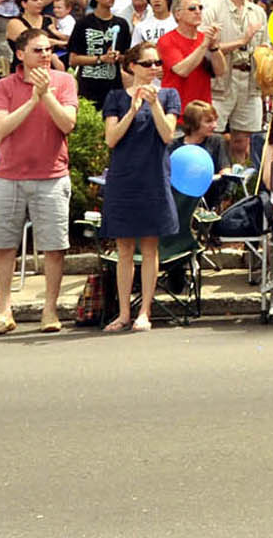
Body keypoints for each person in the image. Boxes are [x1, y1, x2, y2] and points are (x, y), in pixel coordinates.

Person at [0, 30, 78, 334]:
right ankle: (4, 311)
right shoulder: (4, 86)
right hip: (9, 177)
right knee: (4, 246)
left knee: (54, 247)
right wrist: (32, 100)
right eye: (38, 50)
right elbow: (2, 128)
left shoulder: (64, 82)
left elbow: (67, 123)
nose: (45, 55)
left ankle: (49, 311)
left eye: (49, 49)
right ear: (21, 53)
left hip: (52, 177)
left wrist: (46, 94)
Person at [99, 42, 181, 332]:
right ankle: (123, 313)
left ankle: (144, 311)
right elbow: (111, 139)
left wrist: (154, 103)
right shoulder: (116, 97)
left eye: (157, 63)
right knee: (123, 249)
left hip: (154, 177)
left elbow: (168, 134)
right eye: (147, 63)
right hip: (123, 179)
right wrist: (132, 111)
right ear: (132, 66)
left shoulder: (170, 94)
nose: (154, 68)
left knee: (149, 247)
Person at [204, 0, 269, 166]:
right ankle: (214, 182)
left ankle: (239, 187)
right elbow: (205, 47)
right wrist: (241, 41)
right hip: (223, 79)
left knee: (243, 140)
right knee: (213, 135)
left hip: (249, 81)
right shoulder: (213, 10)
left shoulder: (257, 12)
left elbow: (265, 45)